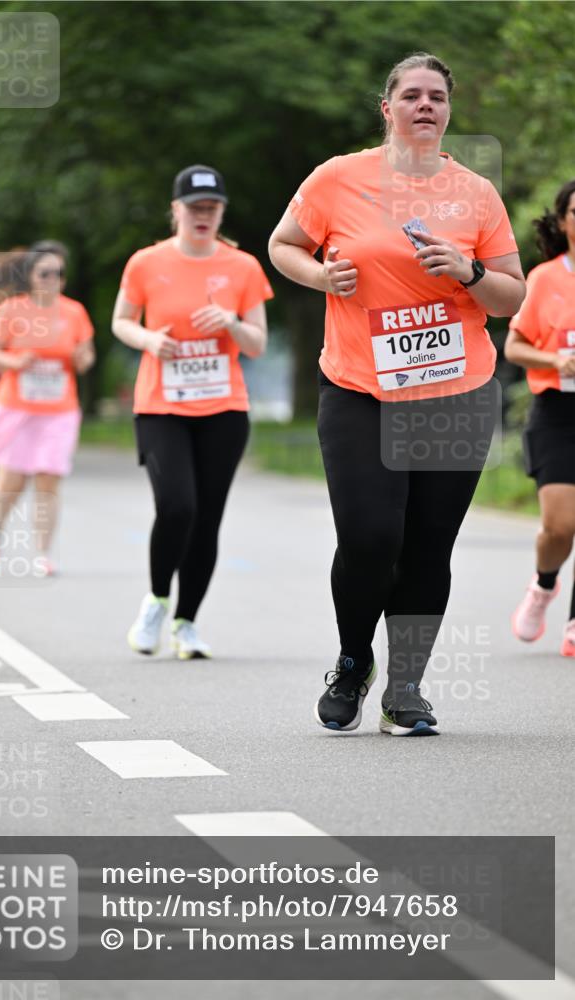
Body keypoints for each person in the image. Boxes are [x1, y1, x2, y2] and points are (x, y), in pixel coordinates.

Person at [268, 52, 525, 735]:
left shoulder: (476, 193)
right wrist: (321, 278)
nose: (423, 106)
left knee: (426, 547)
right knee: (368, 536)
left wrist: (468, 270)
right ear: (387, 109)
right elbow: (283, 244)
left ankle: (405, 687)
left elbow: (509, 293)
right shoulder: (337, 178)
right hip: (359, 388)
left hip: (455, 392)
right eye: (410, 95)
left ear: (447, 111)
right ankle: (354, 660)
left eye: (435, 97)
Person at [112, 164, 273, 659]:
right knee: (177, 506)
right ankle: (158, 599)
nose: (204, 215)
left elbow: (258, 343)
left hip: (223, 409)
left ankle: (187, 623)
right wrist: (149, 339)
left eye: (213, 207)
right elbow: (121, 321)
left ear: (221, 211)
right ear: (176, 209)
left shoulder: (242, 267)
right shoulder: (145, 262)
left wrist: (229, 321)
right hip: (161, 406)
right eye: (194, 207)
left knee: (207, 519)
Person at [0, 240, 96, 575]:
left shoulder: (74, 312)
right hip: (16, 407)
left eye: (58, 274)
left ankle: (42, 553)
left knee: (48, 481)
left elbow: (86, 354)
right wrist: (14, 360)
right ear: (30, 276)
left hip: (58, 410)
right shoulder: (12, 309)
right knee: (11, 481)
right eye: (44, 273)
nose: (51, 279)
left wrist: (81, 358)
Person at [505, 180, 575, 657]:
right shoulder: (546, 278)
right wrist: (554, 361)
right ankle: (544, 586)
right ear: (564, 220)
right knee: (560, 525)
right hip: (557, 413)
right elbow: (514, 347)